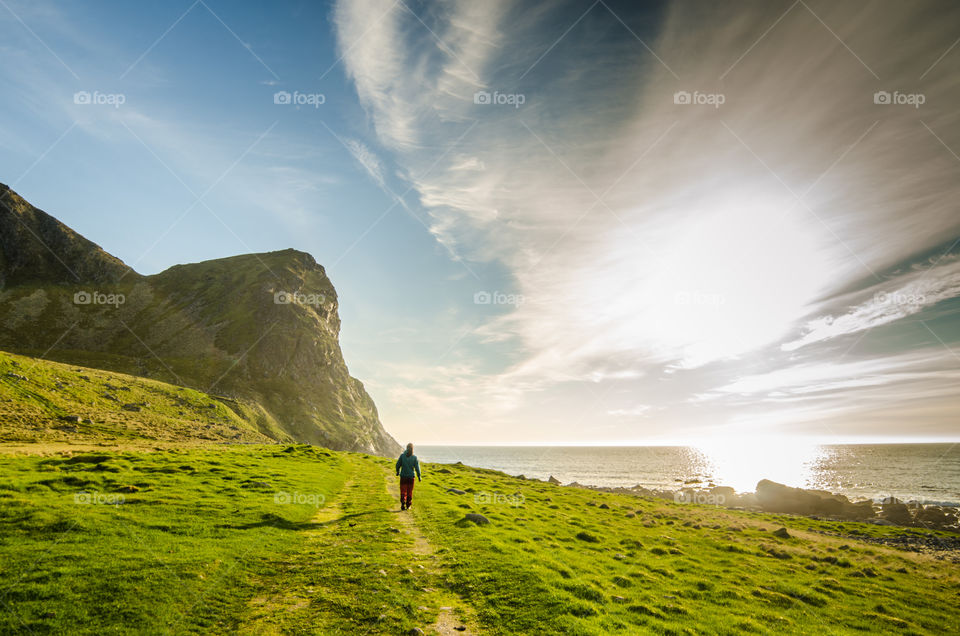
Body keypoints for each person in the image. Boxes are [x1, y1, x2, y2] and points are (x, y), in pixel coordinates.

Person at [395, 443, 421, 510]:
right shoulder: (414, 457)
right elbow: (417, 468)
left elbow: (398, 465)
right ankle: (408, 505)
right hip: (411, 477)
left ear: (406, 448)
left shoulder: (402, 456)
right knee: (409, 491)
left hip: (403, 477)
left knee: (403, 491)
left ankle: (403, 503)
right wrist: (419, 476)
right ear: (412, 449)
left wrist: (397, 471)